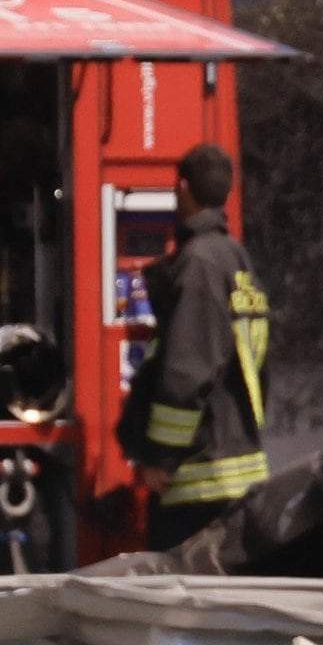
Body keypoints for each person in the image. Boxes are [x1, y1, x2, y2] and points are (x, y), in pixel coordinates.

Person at [121, 140, 273, 551]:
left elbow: (186, 374)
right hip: (233, 472)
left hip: (198, 483)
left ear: (182, 188)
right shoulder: (236, 260)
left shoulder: (199, 263)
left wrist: (159, 457)